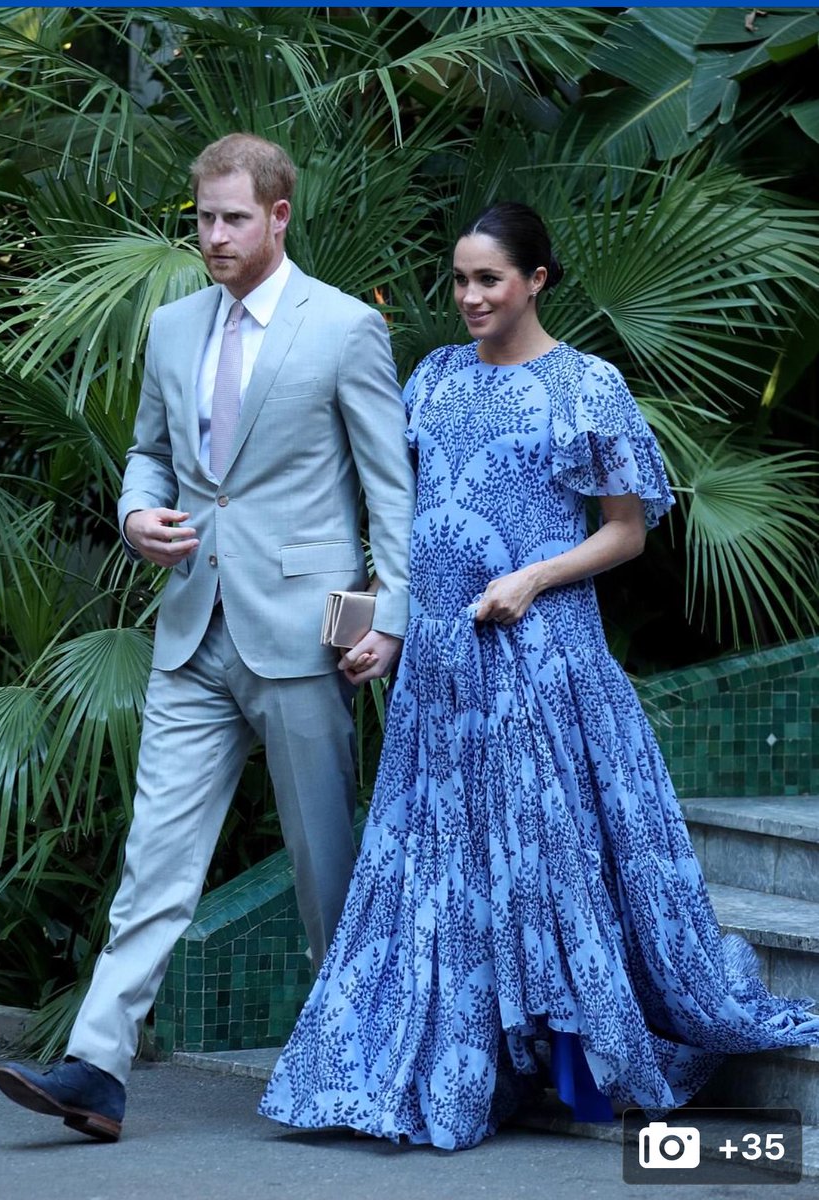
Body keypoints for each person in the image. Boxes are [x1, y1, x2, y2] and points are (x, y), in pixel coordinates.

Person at [258, 202, 819, 1151]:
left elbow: (628, 529)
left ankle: (580, 1072)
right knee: (440, 874)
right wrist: (377, 632)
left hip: (540, 665)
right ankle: (446, 1064)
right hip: (438, 677)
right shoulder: (430, 379)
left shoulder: (584, 386)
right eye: (461, 278)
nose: (470, 296)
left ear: (536, 282)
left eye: (490, 279)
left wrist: (532, 576)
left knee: (547, 873)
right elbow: (401, 529)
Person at [0, 133, 416, 1141]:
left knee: (324, 867)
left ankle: (352, 1059)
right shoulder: (173, 326)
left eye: (233, 218)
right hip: (189, 629)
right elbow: (147, 455)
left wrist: (391, 615)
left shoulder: (346, 328)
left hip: (307, 636)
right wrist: (140, 516)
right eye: (203, 217)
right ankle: (97, 1066)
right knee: (154, 862)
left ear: (279, 215)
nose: (213, 235)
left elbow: (389, 491)